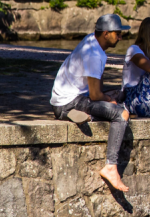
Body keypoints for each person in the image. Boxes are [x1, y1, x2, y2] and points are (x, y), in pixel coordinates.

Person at [50, 13, 132, 192]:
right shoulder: (94, 54)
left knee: (121, 96)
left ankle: (80, 114)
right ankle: (111, 167)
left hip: (70, 97)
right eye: (117, 33)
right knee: (121, 114)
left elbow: (96, 85)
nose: (120, 37)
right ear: (105, 33)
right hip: (70, 101)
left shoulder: (92, 41)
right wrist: (110, 102)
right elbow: (95, 95)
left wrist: (111, 97)